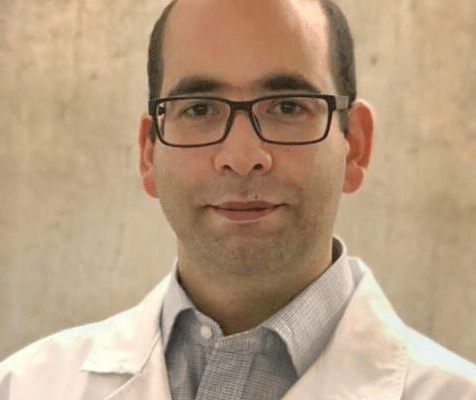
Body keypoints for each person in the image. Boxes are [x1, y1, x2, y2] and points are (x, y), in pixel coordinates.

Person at [1, 0, 476, 398]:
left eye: (288, 106)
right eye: (199, 109)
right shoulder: (25, 387)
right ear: (149, 153)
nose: (243, 157)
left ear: (355, 145)